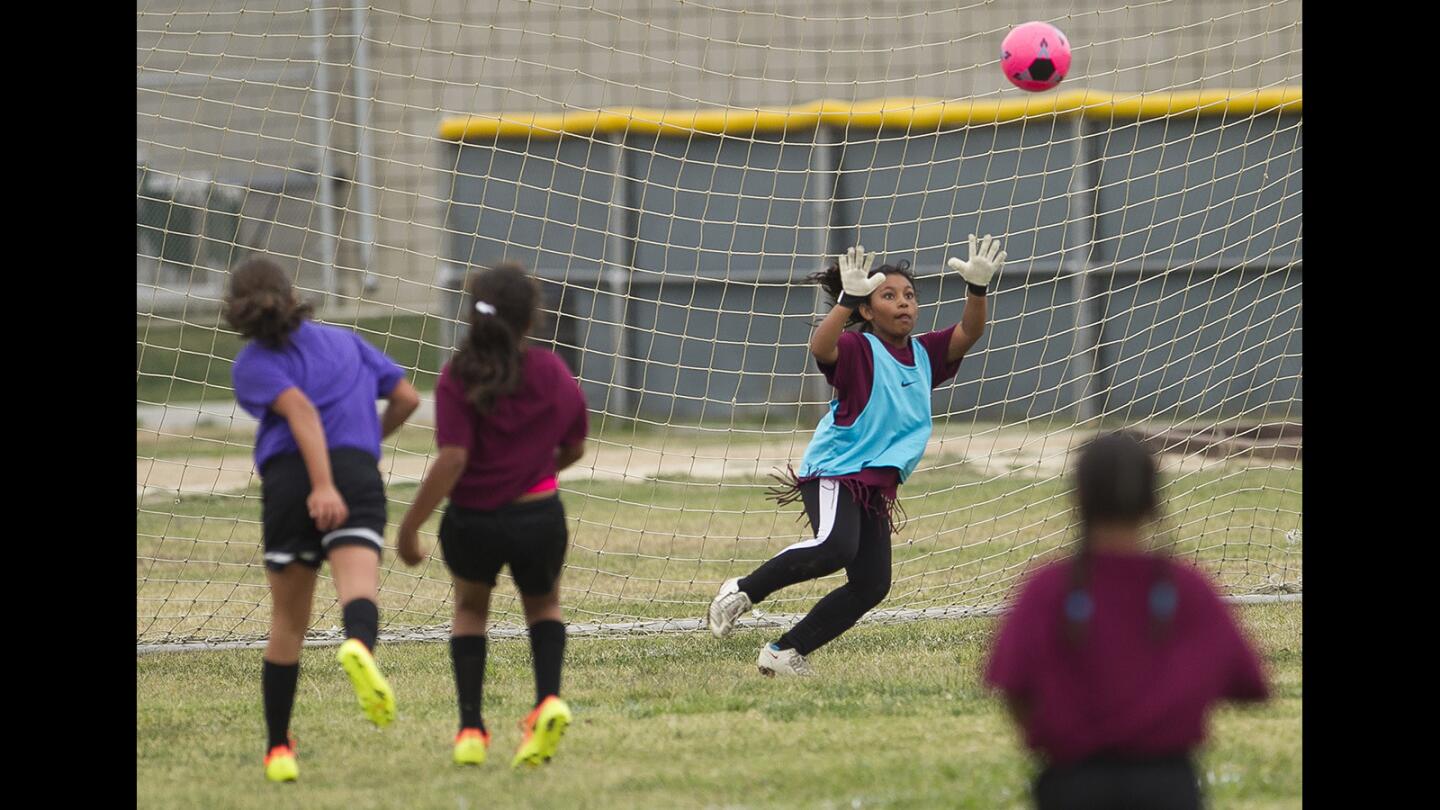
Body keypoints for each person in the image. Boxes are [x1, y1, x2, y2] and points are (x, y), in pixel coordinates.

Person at [708, 236, 1004, 675]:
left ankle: (785, 652)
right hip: (836, 469)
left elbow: (971, 331)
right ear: (868, 310)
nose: (904, 303)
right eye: (889, 296)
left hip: (873, 484)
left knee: (871, 584)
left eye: (909, 296)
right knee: (834, 547)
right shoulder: (858, 348)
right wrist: (846, 299)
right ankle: (741, 591)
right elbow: (820, 348)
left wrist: (977, 289)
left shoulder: (925, 354)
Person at [984, 433, 1270, 809]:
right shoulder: (1189, 588)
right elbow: (1250, 684)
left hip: (1071, 784)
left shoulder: (1047, 588)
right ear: (1154, 501)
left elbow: (1012, 683)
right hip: (1169, 785)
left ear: (1079, 498)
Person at [225, 257, 421, 782]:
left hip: (294, 484)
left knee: (288, 622)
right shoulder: (343, 341)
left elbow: (303, 414)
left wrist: (321, 484)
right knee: (359, 588)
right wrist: (362, 449)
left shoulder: (250, 365)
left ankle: (279, 749)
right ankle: (358, 644)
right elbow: (406, 397)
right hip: (356, 475)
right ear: (292, 294)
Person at [396, 262, 588, 768]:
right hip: (538, 518)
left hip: (473, 522)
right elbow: (575, 446)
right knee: (543, 607)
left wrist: (411, 523)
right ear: (532, 319)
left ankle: (471, 730)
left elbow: (454, 457)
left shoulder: (458, 373)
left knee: (470, 612)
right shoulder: (552, 370)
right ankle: (547, 700)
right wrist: (534, 470)